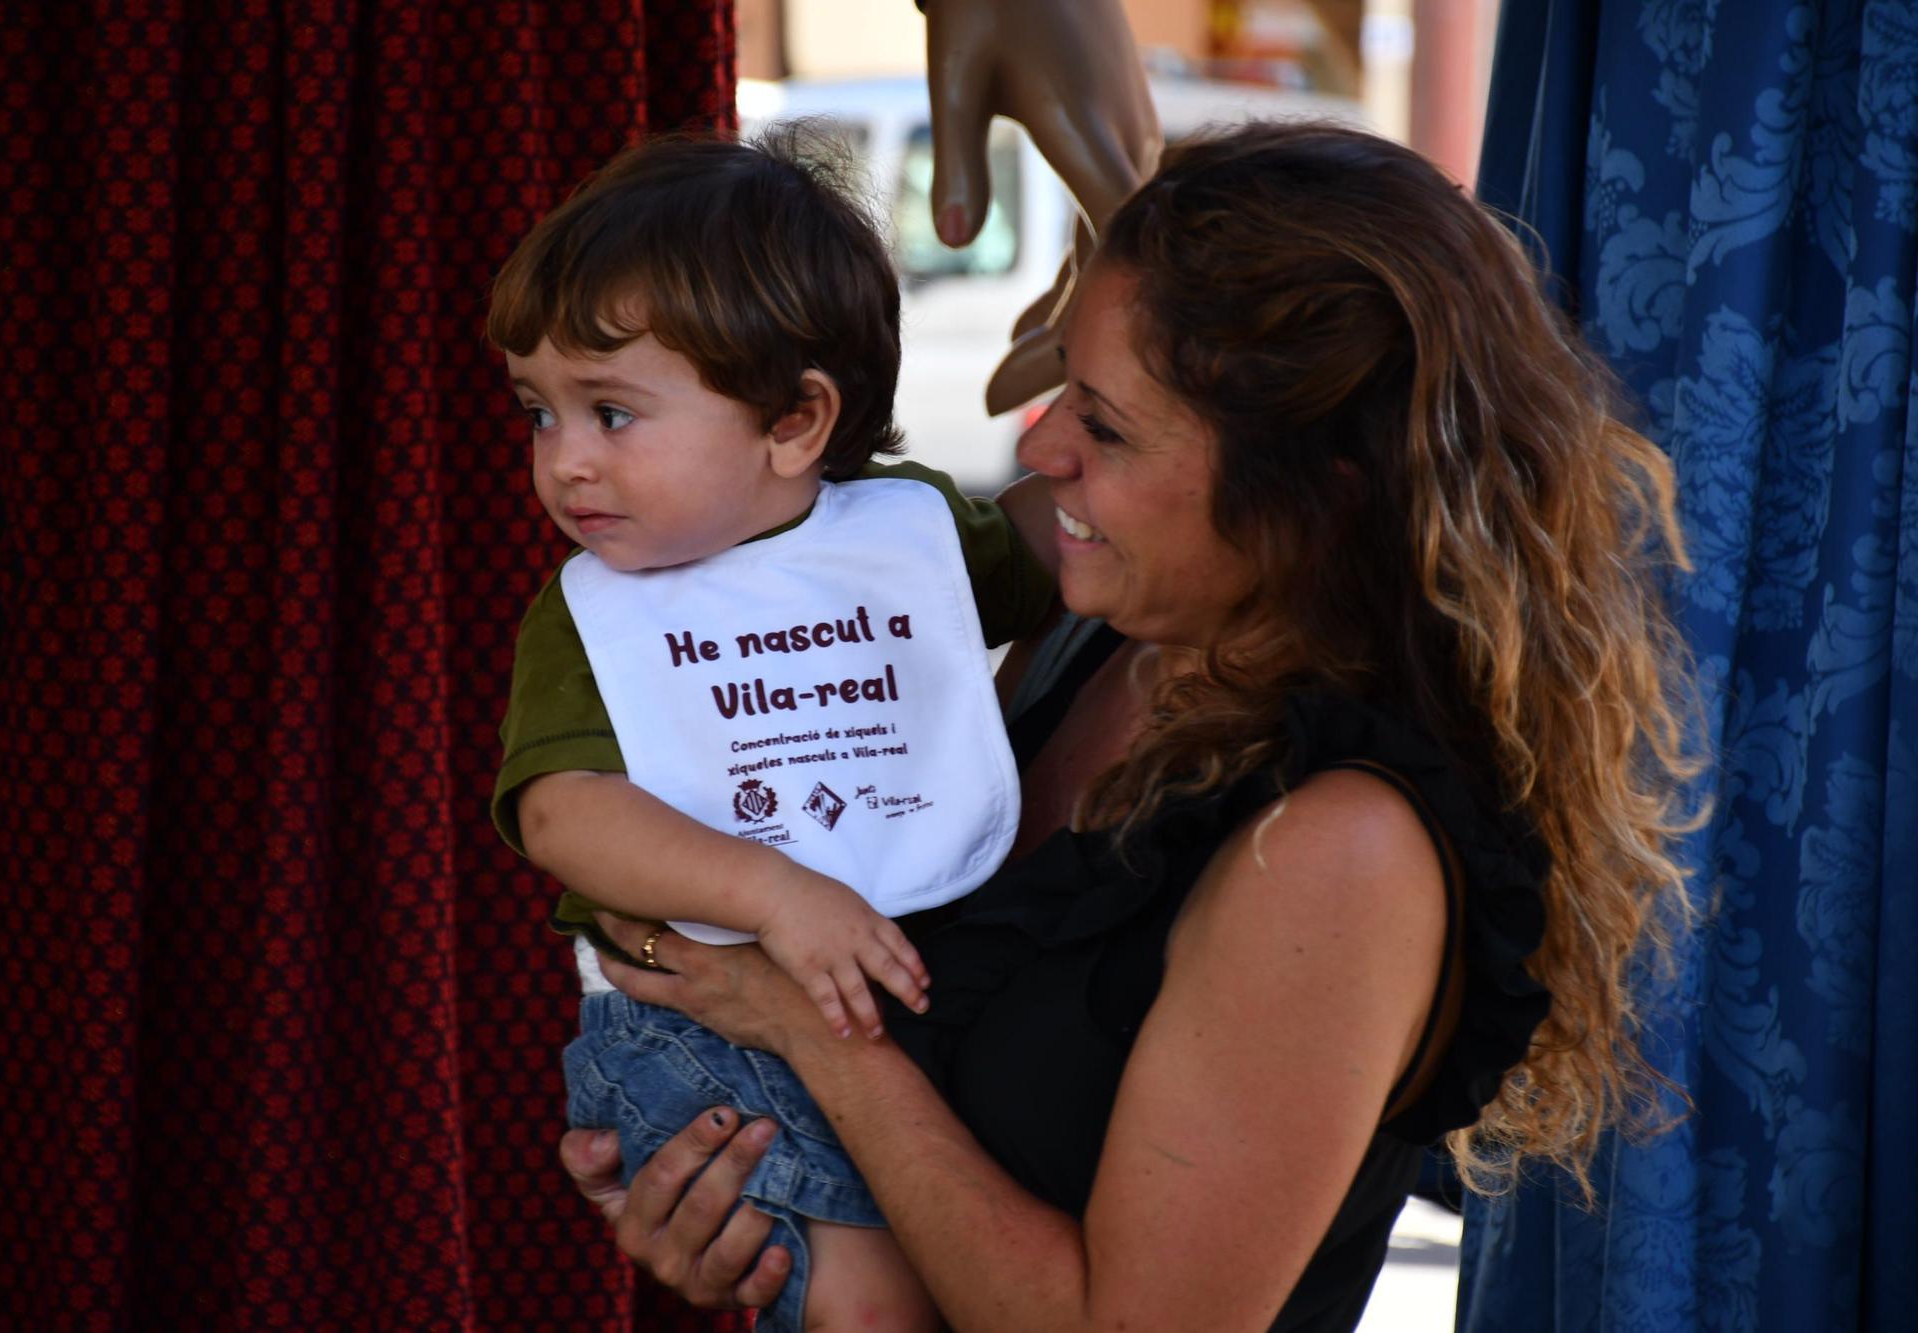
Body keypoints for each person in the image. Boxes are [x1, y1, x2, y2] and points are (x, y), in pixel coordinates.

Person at [558, 120, 1708, 1331]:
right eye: (1061, 385)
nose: (1040, 443)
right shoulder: (1093, 639)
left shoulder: (1335, 848)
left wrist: (815, 1037)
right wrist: (738, 1175)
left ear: (1316, 495)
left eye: (1104, 426)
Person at [486, 130, 1054, 1332]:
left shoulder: (912, 540)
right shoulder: (592, 615)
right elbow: (563, 814)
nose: (562, 463)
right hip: (702, 1029)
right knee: (877, 1301)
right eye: (539, 413)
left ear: (796, 425)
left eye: (611, 412)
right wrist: (773, 891)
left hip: (890, 1011)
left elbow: (1070, 568)